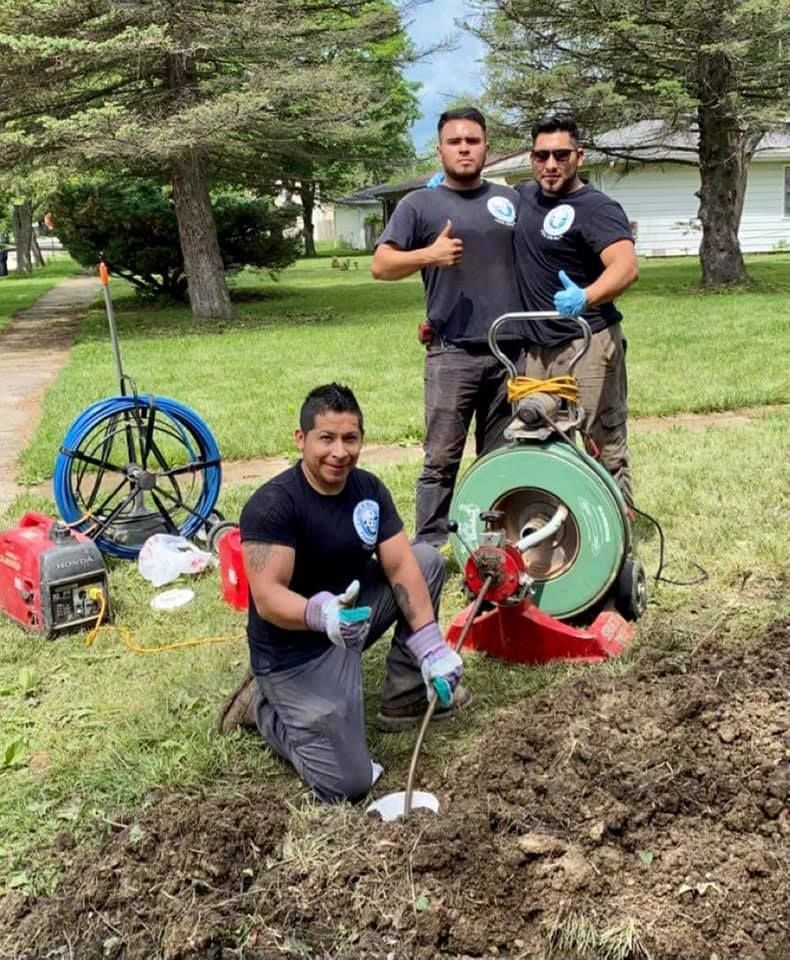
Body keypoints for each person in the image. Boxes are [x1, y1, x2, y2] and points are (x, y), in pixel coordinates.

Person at [217, 383, 470, 804]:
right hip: (294, 652)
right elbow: (267, 597)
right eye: (326, 438)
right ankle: (261, 707)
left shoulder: (368, 490)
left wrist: (431, 646)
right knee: (347, 783)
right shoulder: (273, 505)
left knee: (425, 560)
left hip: (351, 619)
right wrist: (323, 616)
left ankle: (406, 694)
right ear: (301, 440)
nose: (339, 452)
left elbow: (401, 566)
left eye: (350, 438)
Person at [371, 106, 523, 548]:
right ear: (439, 150)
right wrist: (428, 256)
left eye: (472, 141)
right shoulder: (419, 204)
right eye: (454, 142)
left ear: (486, 148)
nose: (464, 149)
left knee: (500, 457)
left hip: (508, 352)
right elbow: (381, 265)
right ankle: (430, 548)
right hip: (451, 352)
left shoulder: (510, 201)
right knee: (441, 458)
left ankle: (494, 547)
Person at [513, 116, 639, 507]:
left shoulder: (596, 208)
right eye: (541, 155)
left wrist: (586, 296)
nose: (551, 164)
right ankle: (563, 528)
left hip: (587, 343)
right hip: (535, 349)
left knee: (601, 440)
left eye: (561, 155)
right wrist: (442, 193)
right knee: (541, 437)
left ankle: (619, 532)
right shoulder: (523, 197)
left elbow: (626, 266)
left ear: (579, 157)